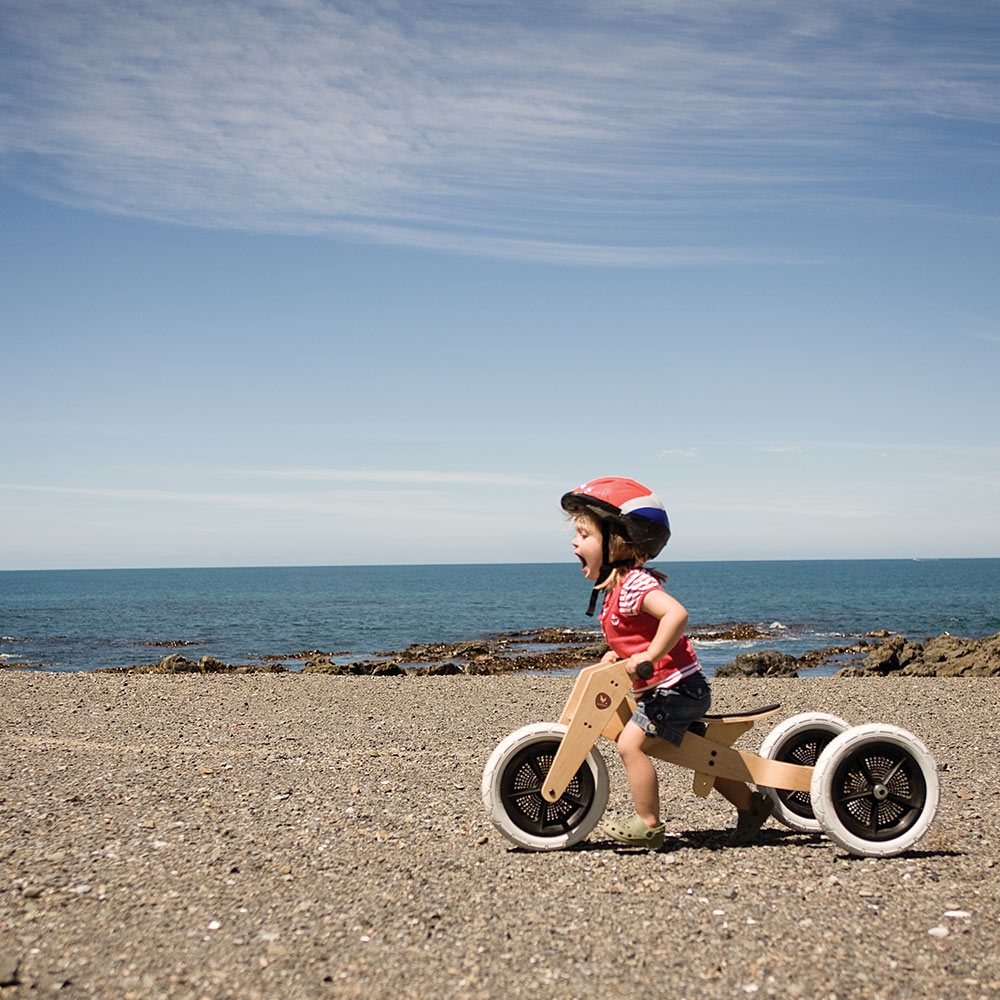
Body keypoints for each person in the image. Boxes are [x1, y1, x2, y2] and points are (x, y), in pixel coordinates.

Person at [561, 476, 772, 849]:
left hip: (675, 690)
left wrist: (650, 656)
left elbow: (675, 614)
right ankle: (752, 806)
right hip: (670, 689)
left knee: (631, 744)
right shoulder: (615, 589)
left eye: (584, 534)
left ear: (617, 541)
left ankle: (649, 823)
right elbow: (634, 635)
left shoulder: (635, 585)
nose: (574, 543)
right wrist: (622, 654)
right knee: (702, 756)